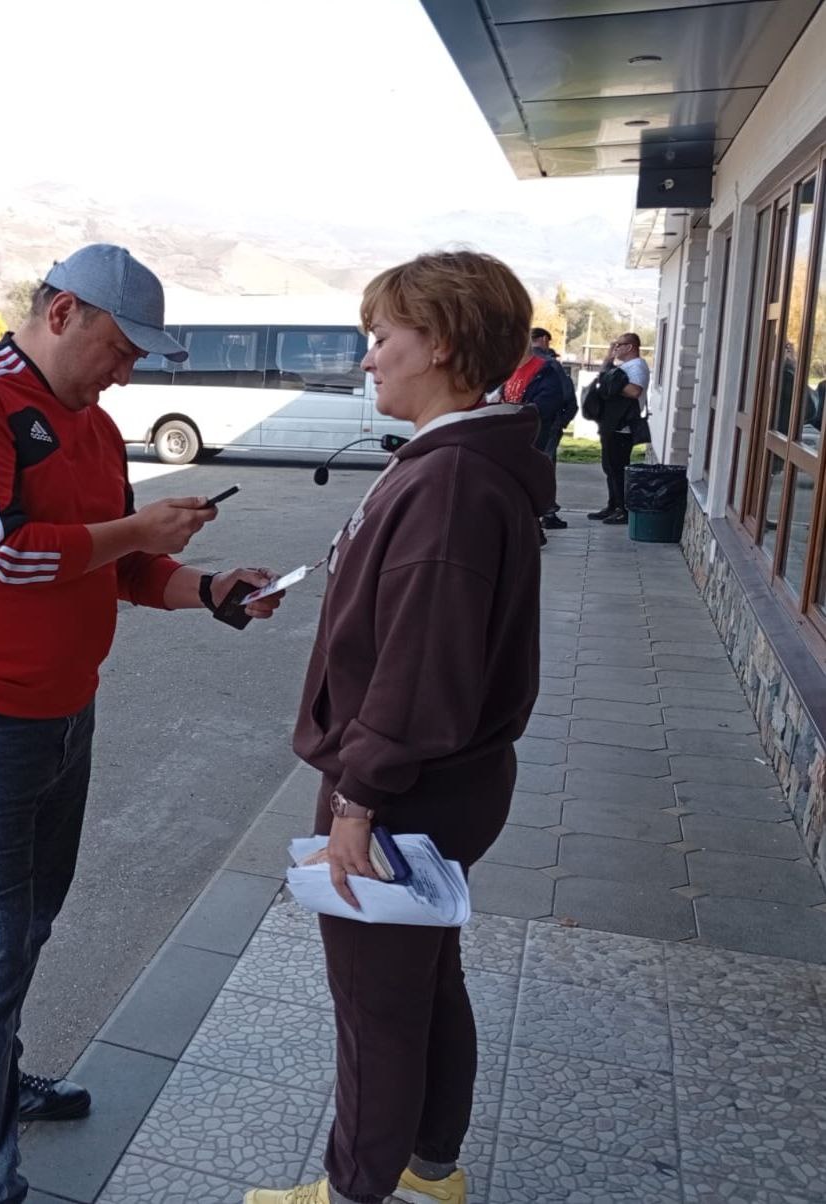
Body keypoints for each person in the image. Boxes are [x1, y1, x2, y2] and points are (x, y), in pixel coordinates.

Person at [0, 243, 283, 1204]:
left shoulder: (98, 431)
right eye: (120, 346)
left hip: (63, 711)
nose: (128, 370)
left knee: (28, 926)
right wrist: (142, 530)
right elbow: (0, 555)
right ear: (62, 313)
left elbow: (116, 568)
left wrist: (206, 588)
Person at [245, 251, 553, 1204]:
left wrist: (359, 799)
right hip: (440, 783)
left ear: (445, 344)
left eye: (384, 339)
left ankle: (355, 1192)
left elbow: (419, 669)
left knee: (376, 1004)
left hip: (406, 787)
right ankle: (430, 1170)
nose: (370, 360)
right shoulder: (458, 461)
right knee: (424, 974)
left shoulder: (453, 478)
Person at [499, 340, 568, 545]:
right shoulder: (509, 370)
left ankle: (533, 528)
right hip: (510, 434)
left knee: (526, 483)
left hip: (533, 435)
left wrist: (521, 414)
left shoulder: (544, 369)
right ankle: (529, 529)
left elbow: (549, 402)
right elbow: (502, 395)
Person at [589, 332, 649, 525]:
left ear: (630, 347)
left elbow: (634, 391)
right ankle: (613, 505)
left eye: (618, 345)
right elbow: (605, 377)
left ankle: (623, 509)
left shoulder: (637, 366)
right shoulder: (623, 366)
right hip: (611, 424)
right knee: (609, 467)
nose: (615, 348)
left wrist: (613, 384)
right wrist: (608, 360)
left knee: (618, 469)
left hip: (623, 427)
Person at [530, 327, 578, 528]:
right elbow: (567, 395)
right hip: (548, 423)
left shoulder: (514, 362)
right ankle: (546, 512)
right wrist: (563, 420)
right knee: (546, 466)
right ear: (542, 340)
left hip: (521, 423)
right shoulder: (551, 365)